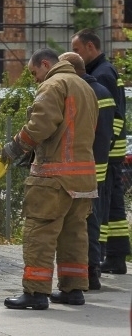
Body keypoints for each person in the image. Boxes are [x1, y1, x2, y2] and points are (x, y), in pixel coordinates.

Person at [2, 48, 97, 310]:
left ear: (45, 64)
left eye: (34, 72)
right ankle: (73, 289)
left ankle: (35, 293)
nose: (34, 79)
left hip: (53, 177)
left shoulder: (53, 84)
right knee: (74, 233)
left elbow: (41, 125)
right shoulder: (85, 87)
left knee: (39, 233)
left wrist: (15, 147)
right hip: (84, 178)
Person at [58, 51, 119, 290]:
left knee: (84, 223)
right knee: (93, 221)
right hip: (101, 166)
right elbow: (112, 128)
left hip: (84, 169)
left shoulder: (83, 93)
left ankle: (90, 273)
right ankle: (93, 271)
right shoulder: (103, 92)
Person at [71, 29, 130, 275]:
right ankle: (116, 256)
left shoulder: (101, 75)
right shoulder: (105, 70)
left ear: (91, 47)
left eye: (76, 50)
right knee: (115, 206)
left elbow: (110, 119)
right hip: (112, 154)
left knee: (101, 206)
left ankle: (101, 257)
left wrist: (103, 148)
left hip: (105, 155)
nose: (75, 54)